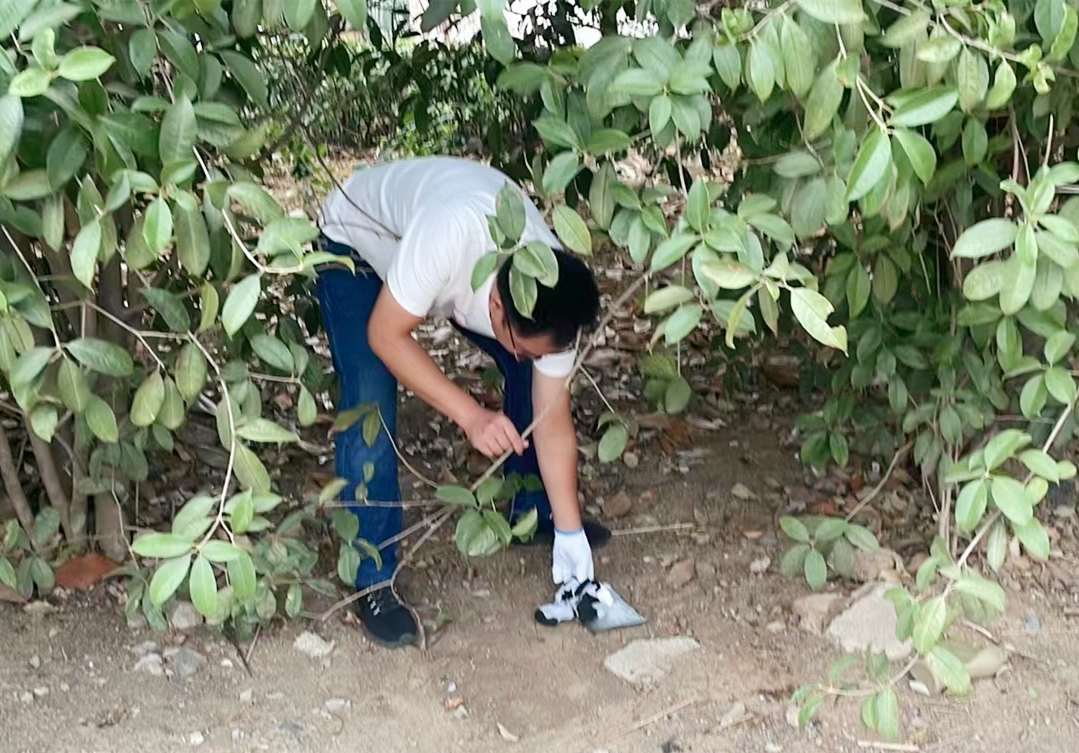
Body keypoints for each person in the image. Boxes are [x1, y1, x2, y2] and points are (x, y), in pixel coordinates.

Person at [315, 156, 609, 648]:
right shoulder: (448, 238)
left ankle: (534, 512)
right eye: (522, 344)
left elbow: (552, 419)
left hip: (439, 258)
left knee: (531, 374)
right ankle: (372, 578)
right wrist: (471, 415)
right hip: (360, 243)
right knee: (370, 396)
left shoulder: (553, 299)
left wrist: (571, 530)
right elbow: (386, 335)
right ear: (495, 306)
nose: (528, 355)